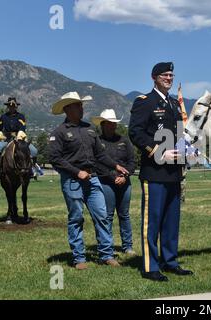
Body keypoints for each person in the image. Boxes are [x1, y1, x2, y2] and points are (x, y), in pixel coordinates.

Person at [49, 92, 129, 270]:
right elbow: (55, 159)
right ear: (68, 109)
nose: (81, 108)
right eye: (78, 105)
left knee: (102, 216)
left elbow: (100, 154)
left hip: (93, 180)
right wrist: (77, 172)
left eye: (81, 105)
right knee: (76, 218)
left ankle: (106, 255)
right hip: (73, 181)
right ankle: (79, 258)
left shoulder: (90, 129)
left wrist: (116, 166)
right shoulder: (59, 132)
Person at [129, 62, 193, 282]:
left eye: (171, 75)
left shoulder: (175, 104)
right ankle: (150, 266)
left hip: (174, 173)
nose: (169, 78)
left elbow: (180, 135)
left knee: (171, 221)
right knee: (153, 220)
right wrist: (157, 152)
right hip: (154, 172)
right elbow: (135, 132)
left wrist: (189, 151)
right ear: (154, 77)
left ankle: (170, 261)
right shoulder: (144, 102)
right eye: (165, 75)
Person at [92, 109, 136, 255]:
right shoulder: (97, 141)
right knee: (108, 215)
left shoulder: (124, 140)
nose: (112, 126)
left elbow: (132, 162)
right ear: (103, 124)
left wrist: (124, 176)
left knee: (124, 214)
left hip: (125, 182)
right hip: (106, 182)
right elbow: (97, 163)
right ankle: (107, 246)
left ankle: (127, 246)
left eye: (114, 123)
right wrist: (113, 177)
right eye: (109, 123)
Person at [0, 97, 39, 178]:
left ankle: (33, 168)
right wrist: (0, 135)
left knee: (34, 151)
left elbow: (22, 127)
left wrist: (19, 136)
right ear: (8, 107)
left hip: (20, 137)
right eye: (10, 106)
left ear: (16, 106)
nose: (11, 107)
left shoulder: (21, 116)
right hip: (6, 138)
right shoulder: (3, 117)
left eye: (13, 106)